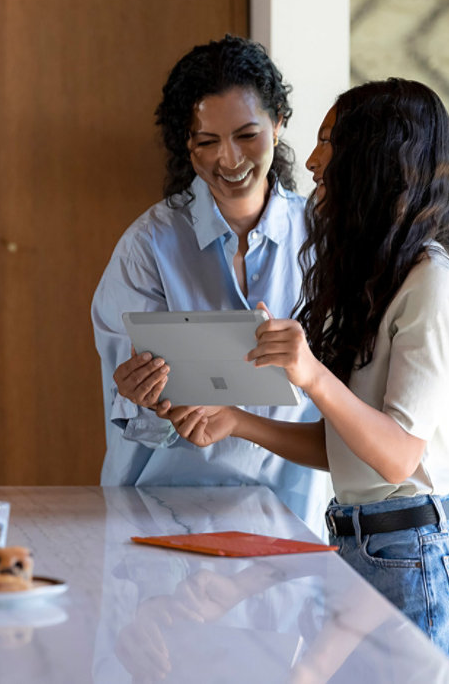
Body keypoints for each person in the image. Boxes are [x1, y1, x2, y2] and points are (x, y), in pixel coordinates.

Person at [165, 78, 449, 681]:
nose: (312, 160)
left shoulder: (434, 284)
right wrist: (237, 422)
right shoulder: (384, 278)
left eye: (329, 141)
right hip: (364, 551)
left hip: (419, 566)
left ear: (379, 156)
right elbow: (350, 451)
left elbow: (397, 459)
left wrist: (310, 373)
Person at [91, 35, 329, 531]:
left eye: (247, 135)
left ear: (278, 123)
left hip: (289, 518)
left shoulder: (322, 240)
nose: (230, 159)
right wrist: (139, 396)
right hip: (163, 519)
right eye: (207, 142)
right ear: (186, 143)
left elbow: (344, 393)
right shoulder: (147, 246)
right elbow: (132, 417)